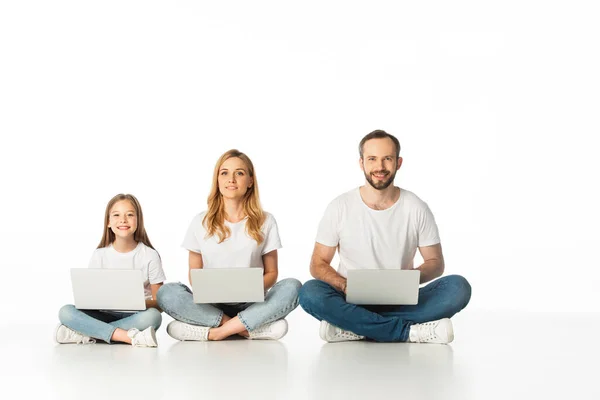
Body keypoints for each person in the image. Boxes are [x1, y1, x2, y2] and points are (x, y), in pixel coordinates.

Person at [298, 130, 471, 344]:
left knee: (458, 287)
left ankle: (354, 326)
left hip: (402, 299)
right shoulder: (339, 207)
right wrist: (343, 285)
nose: (380, 167)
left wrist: (408, 280)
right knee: (309, 293)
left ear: (398, 163)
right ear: (361, 163)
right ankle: (408, 332)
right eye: (372, 159)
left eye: (387, 159)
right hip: (350, 299)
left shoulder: (416, 207)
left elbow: (435, 263)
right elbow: (318, 263)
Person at [157, 149, 302, 341]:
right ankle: (243, 328)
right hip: (212, 304)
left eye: (239, 173)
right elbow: (194, 274)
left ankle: (214, 332)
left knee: (294, 287)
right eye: (224, 173)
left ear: (250, 181)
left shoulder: (266, 221)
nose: (231, 179)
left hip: (251, 303)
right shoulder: (200, 221)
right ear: (217, 180)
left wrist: (247, 288)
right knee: (167, 293)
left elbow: (272, 273)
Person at [56, 194, 165, 347]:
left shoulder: (150, 255)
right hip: (104, 314)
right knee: (65, 312)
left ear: (138, 220)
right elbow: (90, 296)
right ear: (108, 222)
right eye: (116, 215)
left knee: (153, 317)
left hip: (135, 315)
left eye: (130, 215)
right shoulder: (99, 255)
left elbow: (160, 303)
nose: (123, 220)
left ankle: (89, 333)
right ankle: (127, 336)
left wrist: (136, 303)